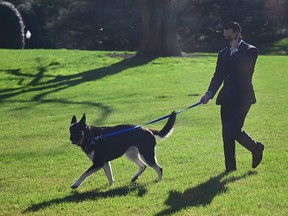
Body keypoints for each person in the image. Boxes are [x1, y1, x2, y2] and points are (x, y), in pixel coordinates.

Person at [201, 22, 264, 173]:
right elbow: (218, 76)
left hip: (243, 98)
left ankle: (255, 147)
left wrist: (235, 52)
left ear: (238, 34)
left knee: (234, 130)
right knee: (226, 135)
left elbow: (245, 72)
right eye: (224, 36)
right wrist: (209, 93)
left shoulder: (250, 51)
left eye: (229, 36)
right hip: (226, 98)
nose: (226, 38)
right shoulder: (223, 53)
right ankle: (230, 169)